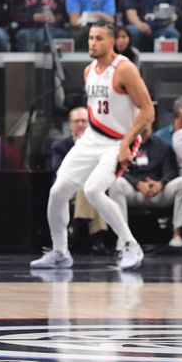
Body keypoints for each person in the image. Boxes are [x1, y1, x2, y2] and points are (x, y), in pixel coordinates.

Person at [31, 22, 153, 271]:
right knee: (57, 193)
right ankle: (60, 252)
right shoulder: (89, 71)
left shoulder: (124, 69)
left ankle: (130, 245)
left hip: (118, 141)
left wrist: (126, 145)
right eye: (90, 38)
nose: (92, 43)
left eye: (98, 38)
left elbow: (148, 110)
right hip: (92, 138)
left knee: (94, 190)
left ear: (111, 42)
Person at [108, 120, 182, 248]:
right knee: (116, 183)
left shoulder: (163, 146)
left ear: (151, 121)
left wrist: (161, 184)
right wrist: (137, 184)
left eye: (145, 122)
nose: (143, 126)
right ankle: (123, 238)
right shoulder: (125, 146)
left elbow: (171, 171)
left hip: (158, 192)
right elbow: (119, 170)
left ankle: (178, 235)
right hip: (134, 191)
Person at [52, 107, 110, 253]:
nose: (80, 125)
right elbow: (58, 168)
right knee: (89, 189)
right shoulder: (60, 146)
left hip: (91, 186)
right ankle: (96, 238)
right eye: (76, 121)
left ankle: (75, 226)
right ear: (70, 125)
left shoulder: (100, 145)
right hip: (67, 188)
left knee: (89, 189)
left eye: (84, 121)